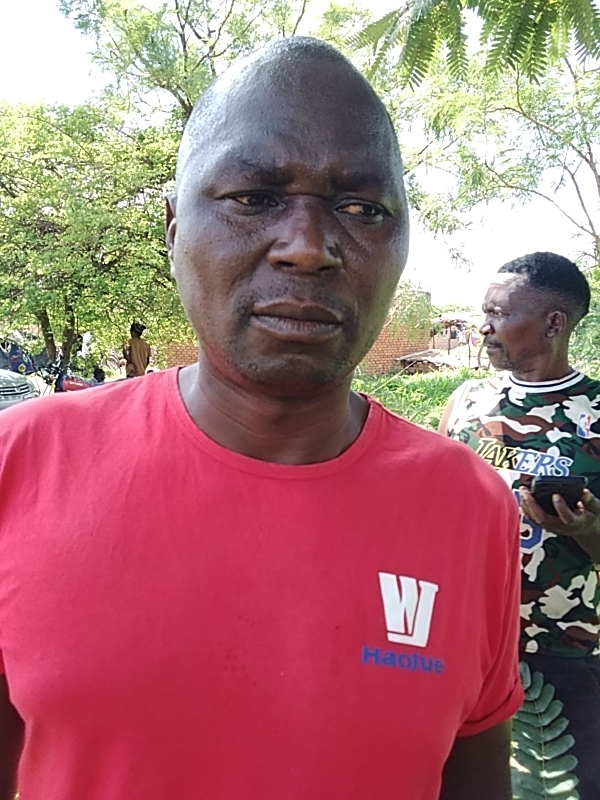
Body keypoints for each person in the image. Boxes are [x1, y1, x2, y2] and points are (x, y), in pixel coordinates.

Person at [0, 39, 522, 800]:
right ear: (174, 229)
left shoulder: (471, 506)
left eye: (362, 209)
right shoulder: (22, 463)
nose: (307, 248)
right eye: (253, 197)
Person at [439, 252, 600, 799]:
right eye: (483, 312)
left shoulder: (595, 413)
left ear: (553, 324)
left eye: (498, 313)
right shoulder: (467, 402)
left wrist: (582, 528)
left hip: (563, 646)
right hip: (466, 641)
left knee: (568, 787)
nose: (483, 326)